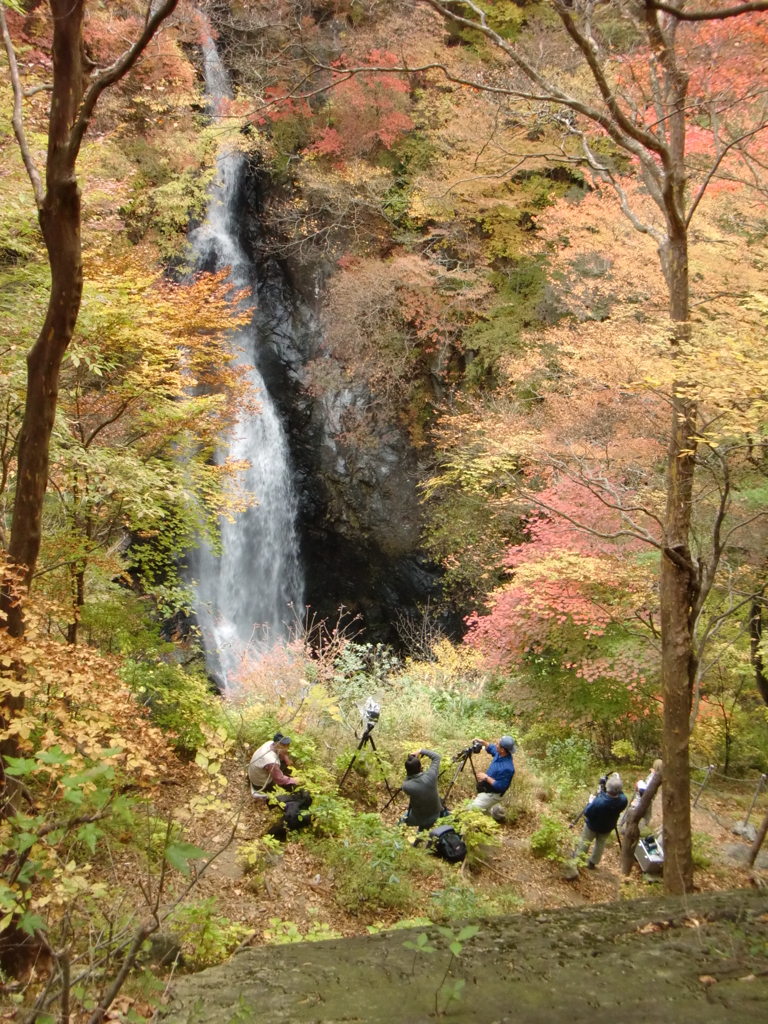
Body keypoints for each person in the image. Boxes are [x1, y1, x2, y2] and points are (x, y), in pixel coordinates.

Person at [576, 772, 628, 869]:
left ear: (608, 788)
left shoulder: (599, 801)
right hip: (608, 827)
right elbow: (620, 794)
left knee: (585, 841)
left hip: (592, 826)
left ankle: (579, 859)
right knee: (600, 844)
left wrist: (590, 802)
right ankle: (593, 862)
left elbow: (587, 813)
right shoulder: (623, 800)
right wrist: (617, 782)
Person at [470, 736, 516, 815]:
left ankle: (495, 812)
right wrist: (483, 742)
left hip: (493, 794)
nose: (495, 744)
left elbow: (501, 786)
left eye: (497, 744)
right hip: (487, 789)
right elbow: (492, 749)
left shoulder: (507, 768)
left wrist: (486, 777)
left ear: (503, 750)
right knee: (485, 813)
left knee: (471, 810)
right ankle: (493, 815)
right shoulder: (501, 754)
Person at [400, 748, 443, 830]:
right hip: (435, 814)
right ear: (420, 768)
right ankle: (418, 841)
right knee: (423, 830)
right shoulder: (431, 777)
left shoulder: (406, 786)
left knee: (402, 821)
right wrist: (420, 751)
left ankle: (398, 835)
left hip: (417, 817)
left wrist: (409, 768)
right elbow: (437, 757)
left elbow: (407, 779)